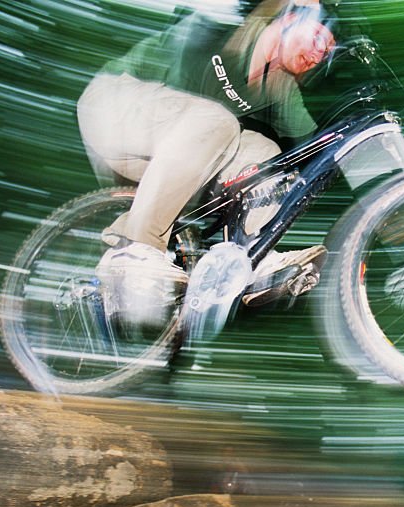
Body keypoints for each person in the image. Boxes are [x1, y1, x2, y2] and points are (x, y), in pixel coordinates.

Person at [77, 0, 336, 323]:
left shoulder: (280, 88)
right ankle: (138, 249)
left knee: (265, 154)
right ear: (291, 19)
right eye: (316, 39)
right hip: (115, 110)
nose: (317, 55)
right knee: (218, 121)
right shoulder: (231, 28)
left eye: (325, 53)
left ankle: (253, 258)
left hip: (173, 155)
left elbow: (322, 145)